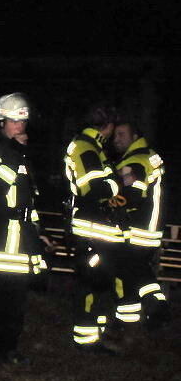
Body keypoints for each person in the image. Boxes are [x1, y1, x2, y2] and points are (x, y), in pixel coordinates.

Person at [0, 94, 48, 366]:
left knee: (17, 301)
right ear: (1, 121)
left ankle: (10, 349)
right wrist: (16, 153)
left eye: (23, 121)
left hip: (22, 238)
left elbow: (28, 196)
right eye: (15, 121)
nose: (20, 126)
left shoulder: (21, 154)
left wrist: (38, 229)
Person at [63, 104, 124, 353]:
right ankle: (85, 341)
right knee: (89, 285)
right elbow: (96, 189)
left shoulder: (93, 147)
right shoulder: (87, 148)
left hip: (97, 229)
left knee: (98, 285)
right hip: (90, 230)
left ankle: (94, 337)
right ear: (107, 126)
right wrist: (118, 184)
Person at [111, 119, 170, 330]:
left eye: (122, 135)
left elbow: (132, 193)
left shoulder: (136, 161)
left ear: (135, 137)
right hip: (150, 227)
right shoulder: (149, 156)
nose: (116, 139)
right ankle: (130, 321)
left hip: (138, 229)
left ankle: (156, 306)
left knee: (131, 269)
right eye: (115, 135)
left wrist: (106, 204)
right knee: (130, 271)